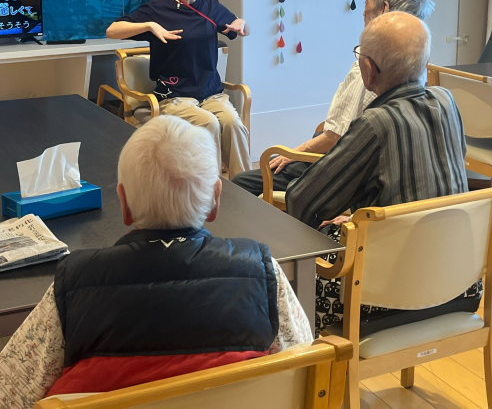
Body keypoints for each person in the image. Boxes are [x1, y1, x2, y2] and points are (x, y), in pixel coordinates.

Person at [0, 116, 312, 406]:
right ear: (216, 199)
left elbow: (11, 393)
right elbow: (303, 370)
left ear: (124, 204)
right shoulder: (261, 270)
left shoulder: (73, 285)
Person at [284, 12, 480, 333]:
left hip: (385, 298)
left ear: (368, 69)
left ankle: (306, 359)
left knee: (284, 275)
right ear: (425, 61)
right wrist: (360, 216)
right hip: (460, 283)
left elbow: (301, 201)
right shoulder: (447, 101)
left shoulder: (375, 124)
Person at [232, 0, 435, 196]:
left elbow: (337, 138)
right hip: (359, 163)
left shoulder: (373, 66)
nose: (363, 11)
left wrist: (293, 153)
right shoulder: (424, 76)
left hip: (342, 166)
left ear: (383, 9)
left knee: (243, 182)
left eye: (366, 2)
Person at [106, 0, 251, 178]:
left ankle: (245, 187)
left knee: (233, 123)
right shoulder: (158, 9)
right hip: (175, 96)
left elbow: (241, 29)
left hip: (211, 93)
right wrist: (150, 26)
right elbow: (112, 30)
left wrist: (243, 23)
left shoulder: (211, 6)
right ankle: (210, 188)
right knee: (208, 123)